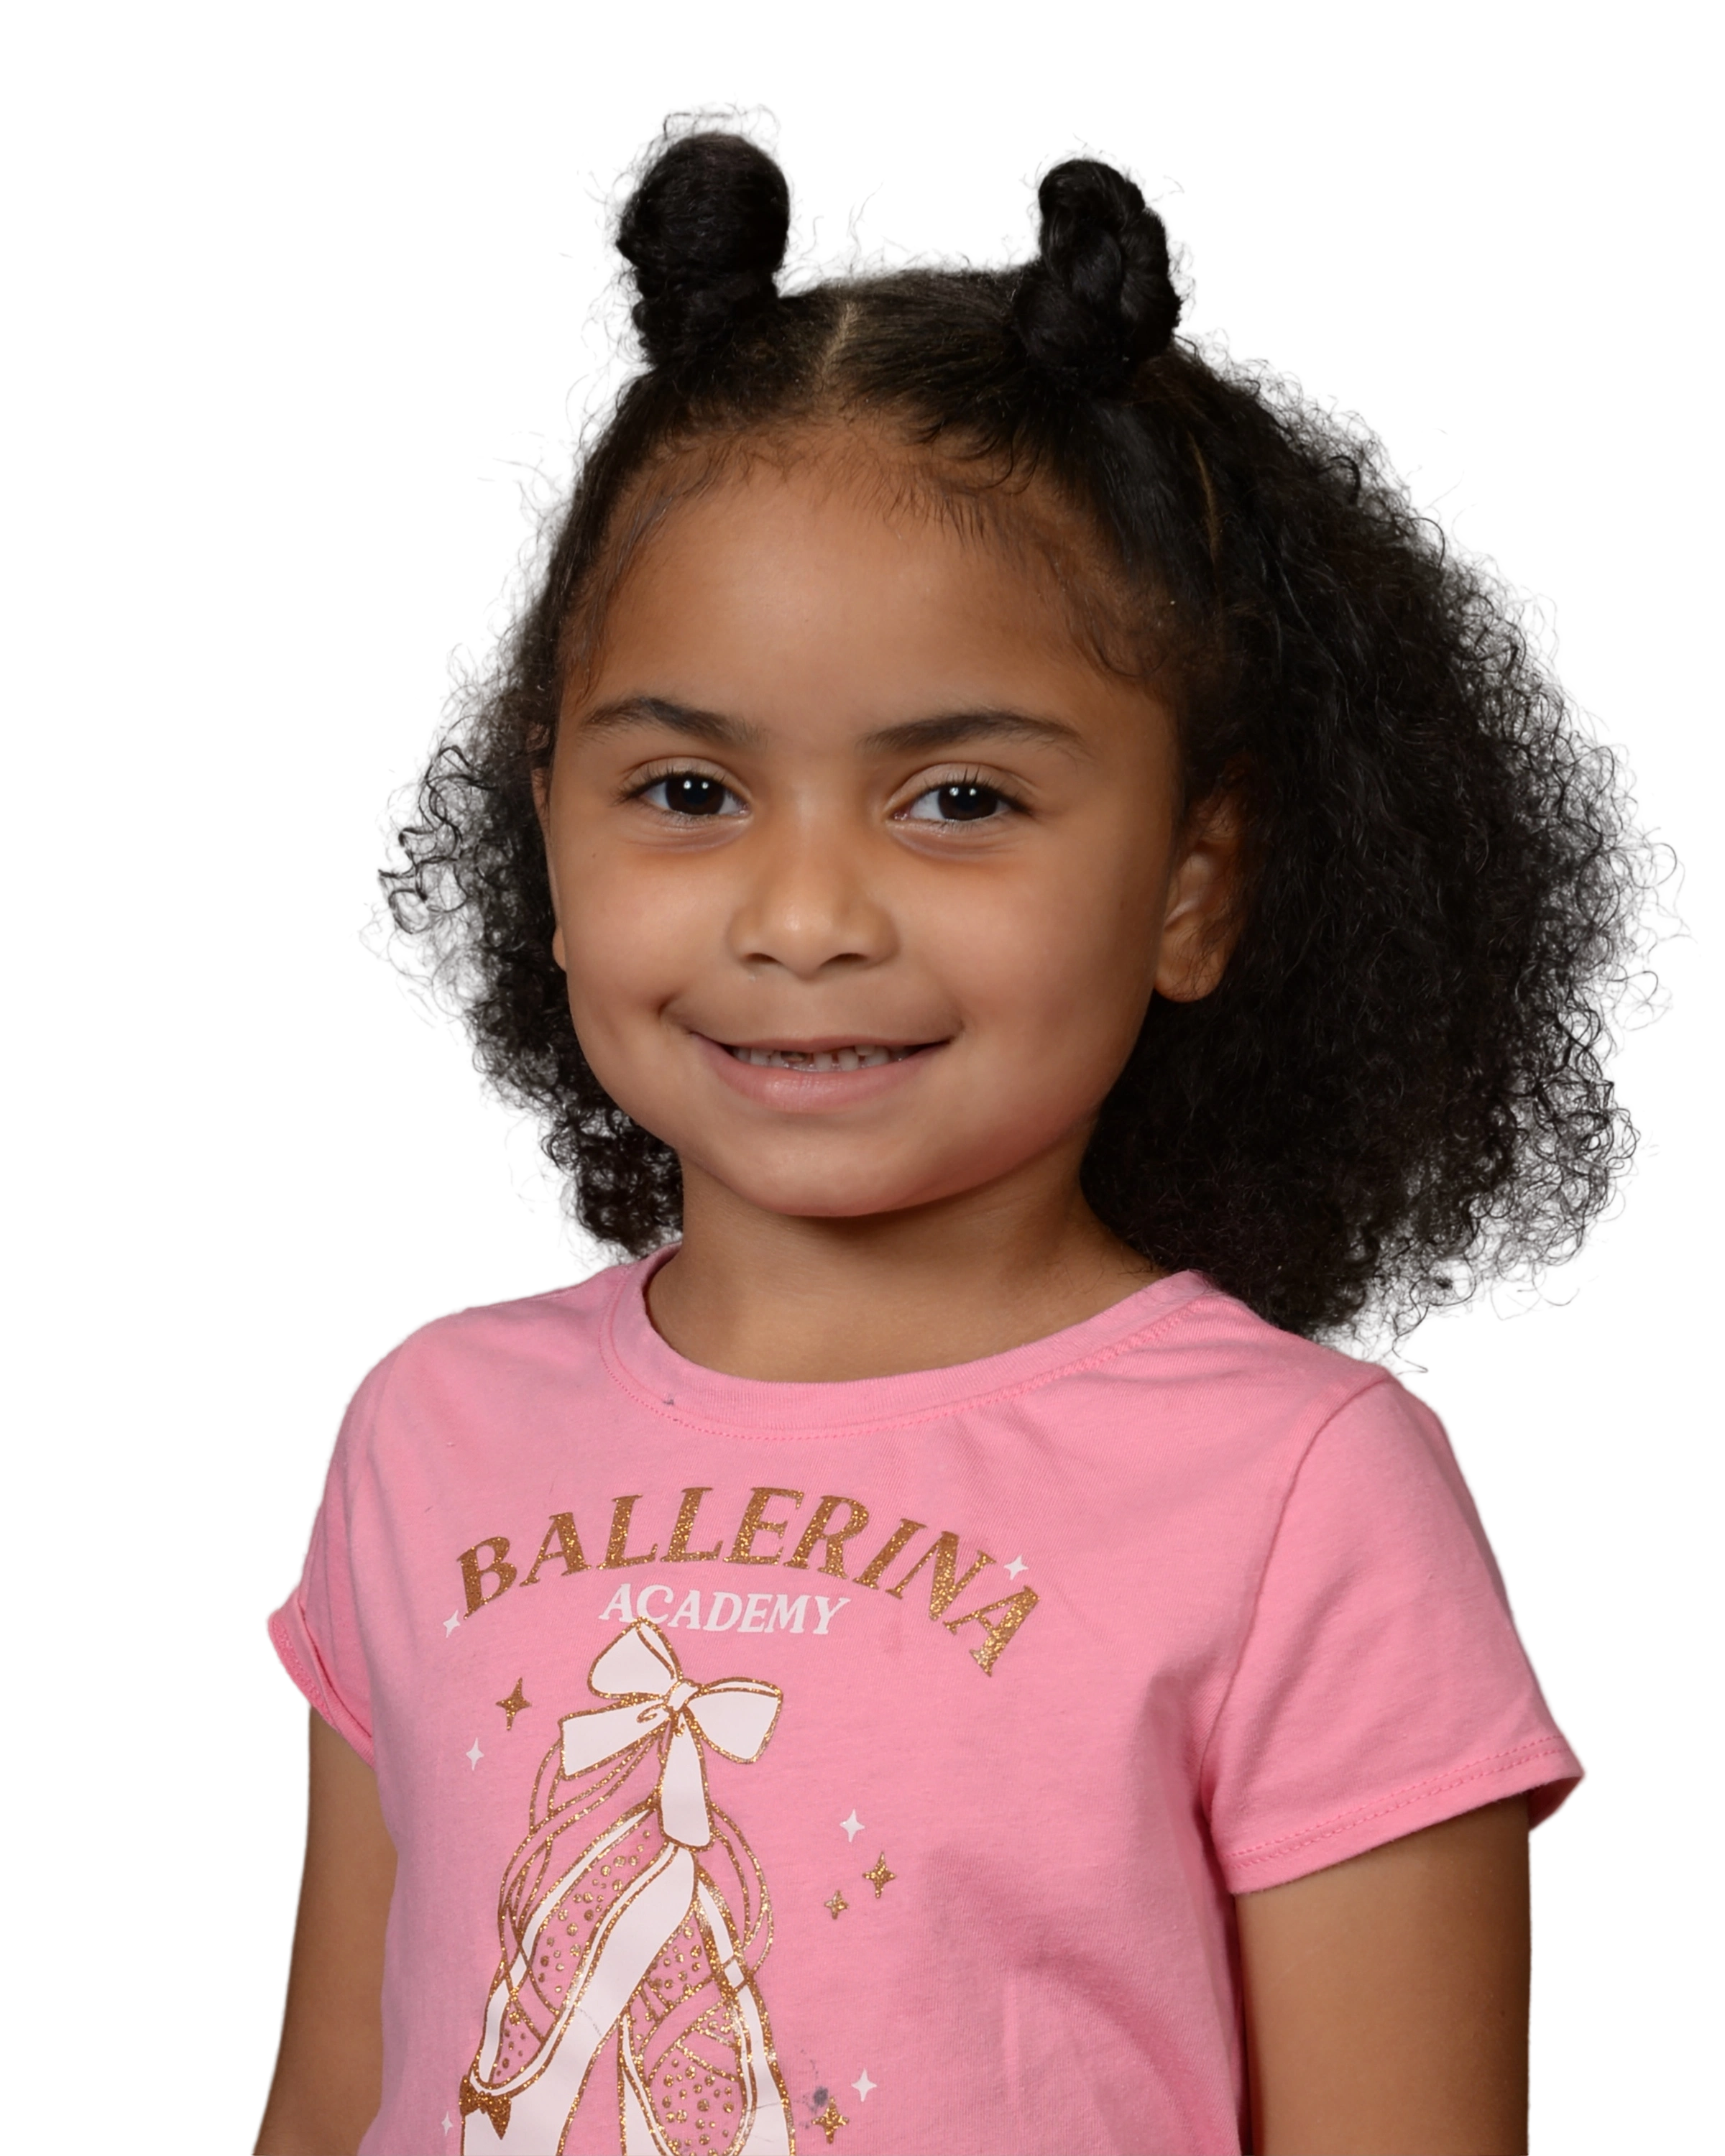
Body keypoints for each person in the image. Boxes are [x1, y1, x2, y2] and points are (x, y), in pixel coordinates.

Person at [250, 93, 1688, 2156]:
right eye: (688, 792)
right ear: (547, 833)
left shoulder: (1305, 1502)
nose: (806, 916)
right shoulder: (424, 1432)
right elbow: (339, 2100)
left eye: (960, 799)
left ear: (1192, 886)